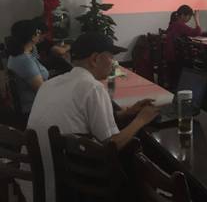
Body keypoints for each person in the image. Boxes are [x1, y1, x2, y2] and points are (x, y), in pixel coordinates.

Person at [26, 32, 159, 202]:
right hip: (71, 186)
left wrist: (127, 113)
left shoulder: (50, 84)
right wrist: (141, 119)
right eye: (111, 57)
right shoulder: (92, 87)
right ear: (95, 59)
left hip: (37, 178)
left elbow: (84, 116)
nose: (114, 63)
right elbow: (112, 144)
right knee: (133, 162)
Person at [6, 20, 49, 114]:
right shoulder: (25, 61)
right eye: (38, 31)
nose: (40, 34)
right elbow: (42, 92)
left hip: (30, 105)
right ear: (32, 37)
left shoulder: (15, 55)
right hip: (34, 109)